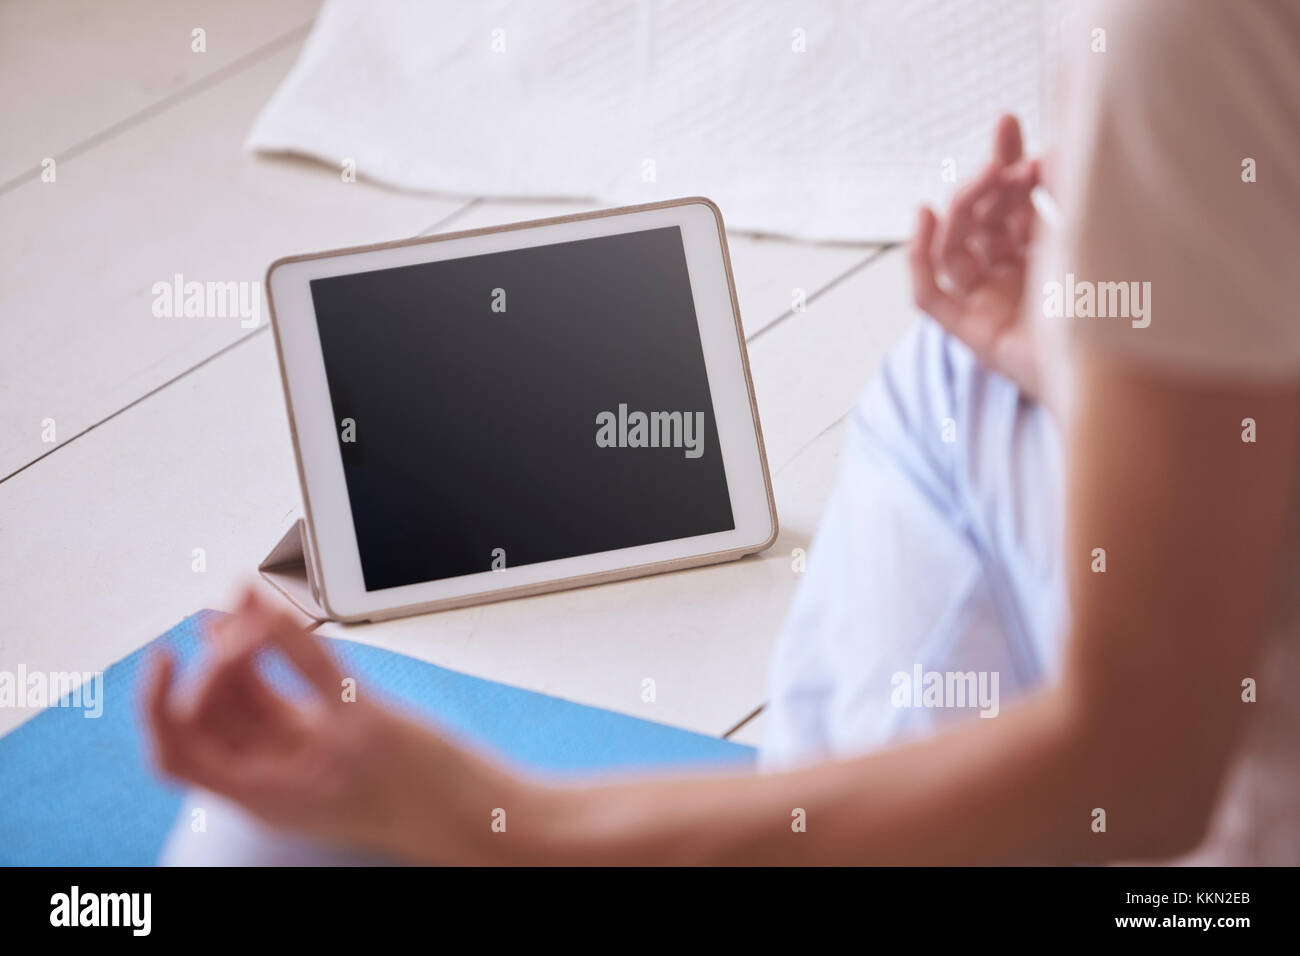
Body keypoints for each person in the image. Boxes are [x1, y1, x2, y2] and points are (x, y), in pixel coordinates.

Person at [146, 0, 1300, 865]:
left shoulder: (1180, 29)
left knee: (253, 843)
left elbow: (1148, 763)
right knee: (956, 373)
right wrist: (1071, 359)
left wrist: (510, 826)